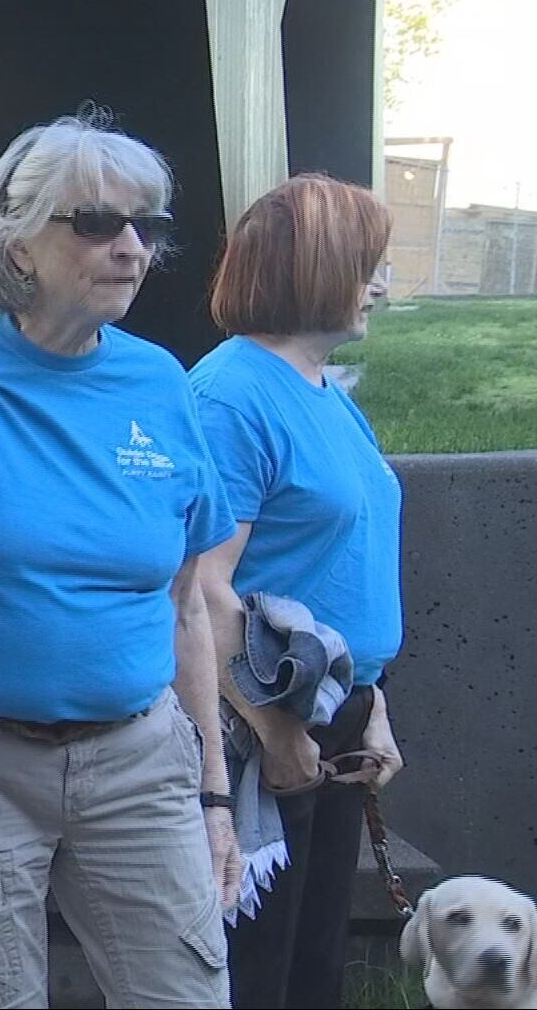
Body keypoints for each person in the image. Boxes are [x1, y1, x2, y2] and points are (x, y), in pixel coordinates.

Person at [0, 111, 244, 1008]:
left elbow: (186, 606)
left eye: (148, 227)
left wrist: (214, 797)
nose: (132, 248)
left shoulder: (159, 382)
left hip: (138, 759)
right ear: (17, 246)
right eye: (97, 223)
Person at [190, 173, 405, 1009]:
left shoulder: (322, 391)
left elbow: (347, 563)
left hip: (336, 711)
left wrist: (373, 700)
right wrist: (274, 729)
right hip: (261, 726)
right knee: (257, 973)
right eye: (367, 264)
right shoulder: (232, 396)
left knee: (315, 967)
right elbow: (202, 588)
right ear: (310, 268)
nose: (382, 285)